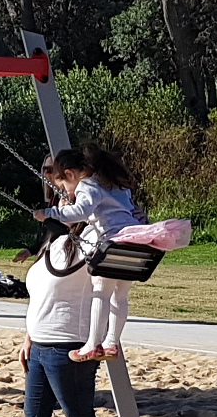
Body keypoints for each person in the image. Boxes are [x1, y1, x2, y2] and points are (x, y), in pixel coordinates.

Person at [11, 223, 105, 417]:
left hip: (69, 344)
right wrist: (29, 336)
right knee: (34, 416)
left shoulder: (92, 236)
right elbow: (42, 296)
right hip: (40, 344)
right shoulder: (55, 241)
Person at [30, 144, 145, 362]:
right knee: (120, 295)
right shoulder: (114, 185)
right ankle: (111, 343)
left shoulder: (87, 186)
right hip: (133, 241)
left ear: (70, 174)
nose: (67, 193)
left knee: (100, 292)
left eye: (64, 186)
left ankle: (93, 345)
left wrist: (49, 213)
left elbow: (79, 212)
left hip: (112, 243)